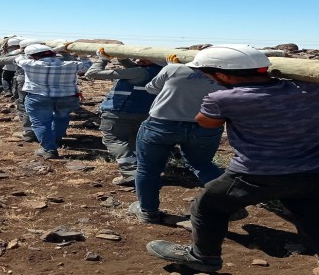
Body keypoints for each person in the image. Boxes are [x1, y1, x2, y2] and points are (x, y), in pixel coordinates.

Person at [146, 44, 319, 274]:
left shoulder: (223, 99)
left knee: (207, 207)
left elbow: (206, 122)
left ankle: (203, 257)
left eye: (208, 74)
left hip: (257, 175)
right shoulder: (314, 87)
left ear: (223, 75)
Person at [129, 55, 226, 223]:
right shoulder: (226, 74)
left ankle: (148, 211)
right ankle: (229, 206)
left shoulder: (174, 68)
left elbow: (151, 88)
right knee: (203, 165)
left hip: (161, 124)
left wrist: (171, 68)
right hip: (205, 124)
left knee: (148, 169)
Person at [84, 47, 163, 187]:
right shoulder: (161, 71)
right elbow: (135, 69)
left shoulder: (139, 71)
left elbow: (92, 74)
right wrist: (121, 57)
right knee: (134, 143)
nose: (138, 60)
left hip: (119, 112)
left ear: (148, 60)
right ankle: (141, 171)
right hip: (144, 112)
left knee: (113, 139)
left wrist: (103, 59)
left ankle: (130, 173)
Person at [14, 43, 92, 159]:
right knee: (62, 118)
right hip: (68, 97)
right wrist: (82, 55)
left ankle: (49, 149)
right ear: (54, 54)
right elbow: (88, 65)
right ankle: (55, 140)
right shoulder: (71, 65)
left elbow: (18, 58)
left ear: (32, 56)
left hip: (38, 97)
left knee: (41, 123)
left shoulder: (29, 64)